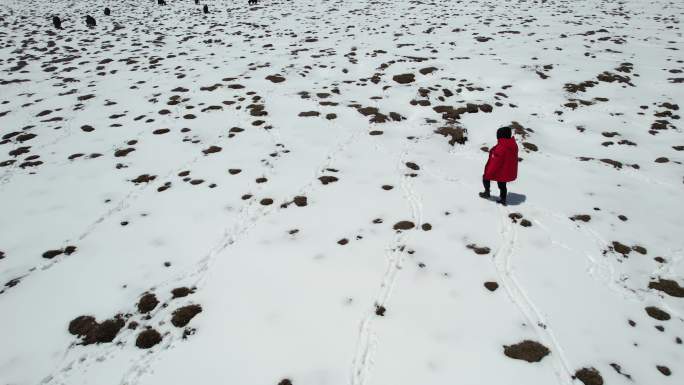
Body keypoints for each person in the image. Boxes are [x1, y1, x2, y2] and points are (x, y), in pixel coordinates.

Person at [479, 126, 518, 205]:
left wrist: (489, 172)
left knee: (485, 177)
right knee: (502, 183)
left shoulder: (501, 147)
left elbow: (495, 162)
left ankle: (487, 193)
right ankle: (503, 198)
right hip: (508, 171)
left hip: (500, 170)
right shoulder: (513, 145)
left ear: (500, 135)